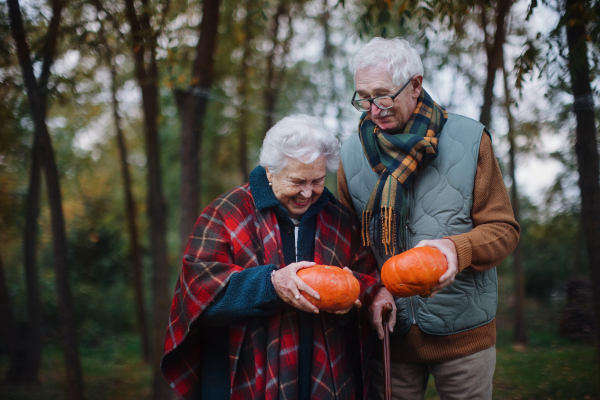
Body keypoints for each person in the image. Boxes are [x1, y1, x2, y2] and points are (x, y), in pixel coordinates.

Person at [337, 38, 520, 400]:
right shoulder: (350, 155)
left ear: (416, 85)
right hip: (389, 335)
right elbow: (349, 245)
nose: (373, 109)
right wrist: (374, 289)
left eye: (383, 95)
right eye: (363, 97)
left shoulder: (469, 139)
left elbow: (504, 230)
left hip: (464, 337)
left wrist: (456, 249)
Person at [161, 114, 380, 400]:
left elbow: (366, 281)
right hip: (243, 375)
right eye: (297, 181)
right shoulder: (226, 213)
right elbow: (199, 298)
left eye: (316, 180)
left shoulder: (340, 219)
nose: (307, 193)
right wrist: (271, 283)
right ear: (269, 172)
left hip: (327, 377)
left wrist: (353, 298)